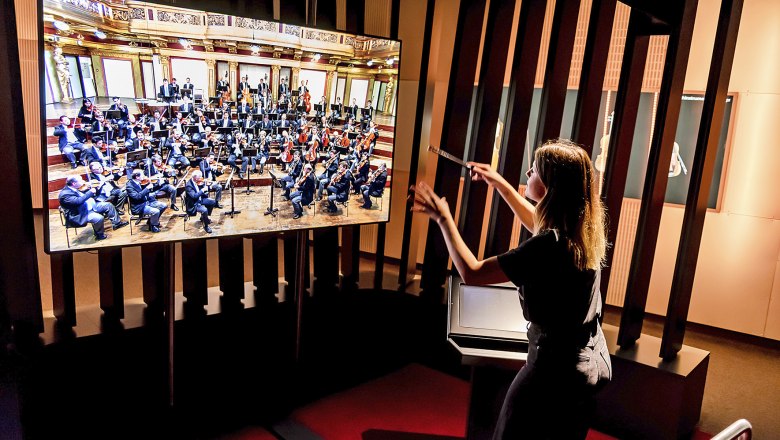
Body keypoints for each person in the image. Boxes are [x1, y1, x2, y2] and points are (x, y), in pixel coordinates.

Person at [410, 139, 612, 440]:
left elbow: (472, 272)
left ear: (549, 186)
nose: (528, 172)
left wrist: (443, 219)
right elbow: (535, 219)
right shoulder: (581, 229)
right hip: (588, 364)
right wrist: (498, 182)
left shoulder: (547, 246)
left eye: (535, 170)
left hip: (552, 372)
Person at [58, 176, 128, 240]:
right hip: (81, 213)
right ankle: (99, 235)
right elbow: (78, 201)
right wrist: (89, 192)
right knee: (98, 218)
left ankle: (117, 223)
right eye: (81, 180)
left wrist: (98, 188)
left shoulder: (76, 188)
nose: (83, 181)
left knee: (107, 205)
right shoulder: (65, 194)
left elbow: (94, 195)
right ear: (74, 183)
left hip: (91, 206)